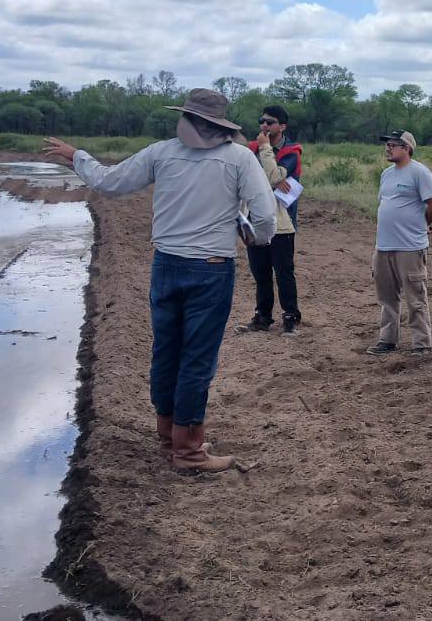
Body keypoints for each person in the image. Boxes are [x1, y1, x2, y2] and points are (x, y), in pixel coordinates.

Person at [43, 88, 276, 473]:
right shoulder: (240, 158)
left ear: (187, 119)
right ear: (220, 124)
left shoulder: (162, 152)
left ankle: (169, 437)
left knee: (166, 353)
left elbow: (109, 182)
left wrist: (76, 157)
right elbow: (265, 216)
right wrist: (256, 238)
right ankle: (188, 451)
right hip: (211, 269)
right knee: (196, 360)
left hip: (166, 265)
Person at [366, 130, 432, 357]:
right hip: (384, 246)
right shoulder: (386, 174)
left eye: (394, 145)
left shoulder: (420, 172)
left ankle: (421, 344)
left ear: (407, 148)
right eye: (387, 144)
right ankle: (387, 340)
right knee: (387, 297)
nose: (388, 148)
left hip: (410, 246)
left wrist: (421, 224)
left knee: (415, 296)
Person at [244, 105, 303, 332]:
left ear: (282, 126)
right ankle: (262, 316)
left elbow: (272, 177)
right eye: (262, 121)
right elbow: (262, 179)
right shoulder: (251, 150)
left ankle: (290, 316)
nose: (264, 125)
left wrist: (265, 148)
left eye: (270, 122)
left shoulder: (292, 151)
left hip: (282, 223)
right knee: (260, 272)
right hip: (255, 219)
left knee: (283, 272)